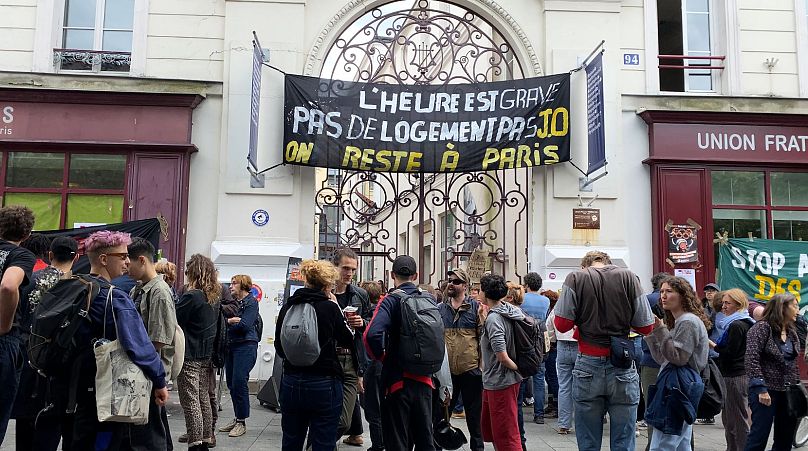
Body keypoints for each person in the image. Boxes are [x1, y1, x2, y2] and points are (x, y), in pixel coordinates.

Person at [71, 230, 169, 450]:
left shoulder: (76, 286)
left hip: (72, 381)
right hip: (104, 384)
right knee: (105, 438)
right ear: (104, 259)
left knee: (78, 437)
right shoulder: (114, 297)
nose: (127, 262)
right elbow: (139, 345)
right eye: (122, 256)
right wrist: (159, 380)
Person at [553, 251, 654, 451]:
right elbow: (646, 327)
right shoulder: (629, 277)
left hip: (587, 364)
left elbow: (562, 324)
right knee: (623, 442)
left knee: (588, 441)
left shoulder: (576, 278)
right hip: (622, 365)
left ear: (585, 266)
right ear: (609, 264)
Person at [364, 255, 450, 451]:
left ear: (392, 275)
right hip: (426, 380)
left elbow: (371, 335)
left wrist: (382, 357)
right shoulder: (428, 298)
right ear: (416, 275)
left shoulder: (390, 300)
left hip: (398, 381)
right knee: (424, 439)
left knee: (397, 441)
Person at [275, 259, 354, 451]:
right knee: (323, 441)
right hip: (324, 381)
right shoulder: (329, 307)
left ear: (306, 281)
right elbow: (347, 340)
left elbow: (279, 346)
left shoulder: (288, 307)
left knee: (291, 440)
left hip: (292, 380)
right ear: (327, 285)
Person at [13, 237, 76, 450]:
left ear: (50, 255)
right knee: (51, 422)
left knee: (25, 420)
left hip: (28, 353)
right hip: (59, 362)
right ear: (76, 257)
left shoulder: (30, 279)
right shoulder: (77, 286)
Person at [644, 276, 711, 450]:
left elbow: (678, 358)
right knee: (680, 443)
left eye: (669, 291)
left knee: (663, 442)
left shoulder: (687, 322)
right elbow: (663, 359)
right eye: (662, 292)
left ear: (683, 296)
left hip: (677, 387)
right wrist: (653, 333)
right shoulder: (681, 321)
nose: (663, 296)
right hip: (680, 385)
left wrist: (660, 329)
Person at [128, 238, 178, 450]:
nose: (125, 267)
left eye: (127, 261)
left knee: (149, 435)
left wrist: (133, 353)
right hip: (144, 369)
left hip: (150, 371)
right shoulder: (140, 289)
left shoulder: (159, 292)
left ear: (141, 260)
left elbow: (159, 339)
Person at [744, 293, 801, 451]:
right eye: (794, 306)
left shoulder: (791, 331)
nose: (798, 310)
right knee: (759, 436)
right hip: (766, 390)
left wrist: (796, 388)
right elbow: (751, 358)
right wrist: (760, 388)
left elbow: (793, 363)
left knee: (785, 437)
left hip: (788, 392)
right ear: (781, 308)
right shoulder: (762, 328)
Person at [0, 206, 36, 446]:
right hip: (4, 342)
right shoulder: (21, 256)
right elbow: (8, 286)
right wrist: (4, 324)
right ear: (27, 234)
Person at [175, 254, 219, 451]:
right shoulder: (213, 297)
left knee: (190, 400)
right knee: (203, 399)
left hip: (190, 354)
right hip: (205, 354)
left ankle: (195, 443)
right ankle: (207, 437)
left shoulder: (192, 296)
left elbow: (175, 318)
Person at [437, 267, 484, 451]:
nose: (451, 283)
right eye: (449, 280)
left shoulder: (475, 308)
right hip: (446, 372)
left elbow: (482, 339)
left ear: (464, 286)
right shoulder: (440, 308)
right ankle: (439, 444)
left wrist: (480, 367)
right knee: (442, 413)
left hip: (470, 369)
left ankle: (477, 447)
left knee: (474, 414)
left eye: (456, 281)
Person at [478, 274, 524, 451]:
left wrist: (517, 369)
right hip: (502, 380)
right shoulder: (509, 310)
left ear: (485, 293)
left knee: (506, 434)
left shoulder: (494, 319)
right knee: (498, 430)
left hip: (500, 380)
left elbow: (502, 355)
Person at [331, 249, 371, 447]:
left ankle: (320, 442)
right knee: (325, 410)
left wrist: (361, 322)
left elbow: (371, 322)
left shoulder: (359, 294)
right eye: (345, 268)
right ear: (335, 267)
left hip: (349, 359)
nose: (349, 273)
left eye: (353, 270)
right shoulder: (323, 292)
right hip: (326, 359)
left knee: (343, 419)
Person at [711, 288, 754, 451]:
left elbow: (730, 352)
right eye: (723, 303)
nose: (723, 307)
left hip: (734, 376)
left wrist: (714, 346)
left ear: (738, 304)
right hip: (738, 374)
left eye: (727, 303)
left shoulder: (736, 325)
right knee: (732, 419)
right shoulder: (746, 322)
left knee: (737, 419)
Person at [218, 274, 259, 438]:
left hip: (246, 345)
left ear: (243, 286)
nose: (231, 286)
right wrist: (229, 322)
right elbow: (228, 322)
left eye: (234, 284)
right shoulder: (235, 303)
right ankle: (237, 418)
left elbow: (245, 325)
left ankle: (241, 422)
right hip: (232, 345)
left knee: (239, 381)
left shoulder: (251, 302)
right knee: (232, 384)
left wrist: (227, 325)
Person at [639, 272, 668, 449]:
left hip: (650, 357)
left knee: (652, 404)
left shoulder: (647, 299)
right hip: (672, 360)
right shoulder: (679, 301)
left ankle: (653, 443)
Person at [520, 272, 552, 424]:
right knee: (539, 377)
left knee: (522, 374)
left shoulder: (522, 299)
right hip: (540, 337)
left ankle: (518, 408)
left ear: (526, 285)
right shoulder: (545, 300)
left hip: (524, 337)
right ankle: (539, 414)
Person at [358, 280, 385, 451]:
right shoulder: (384, 311)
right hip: (383, 364)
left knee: (372, 409)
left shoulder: (369, 314)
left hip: (371, 366)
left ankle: (378, 444)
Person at [546, 291, 577, 435]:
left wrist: (553, 341)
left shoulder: (558, 308)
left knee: (564, 385)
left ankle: (564, 424)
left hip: (562, 346)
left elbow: (549, 328)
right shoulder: (580, 305)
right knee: (583, 385)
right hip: (579, 345)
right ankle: (583, 420)